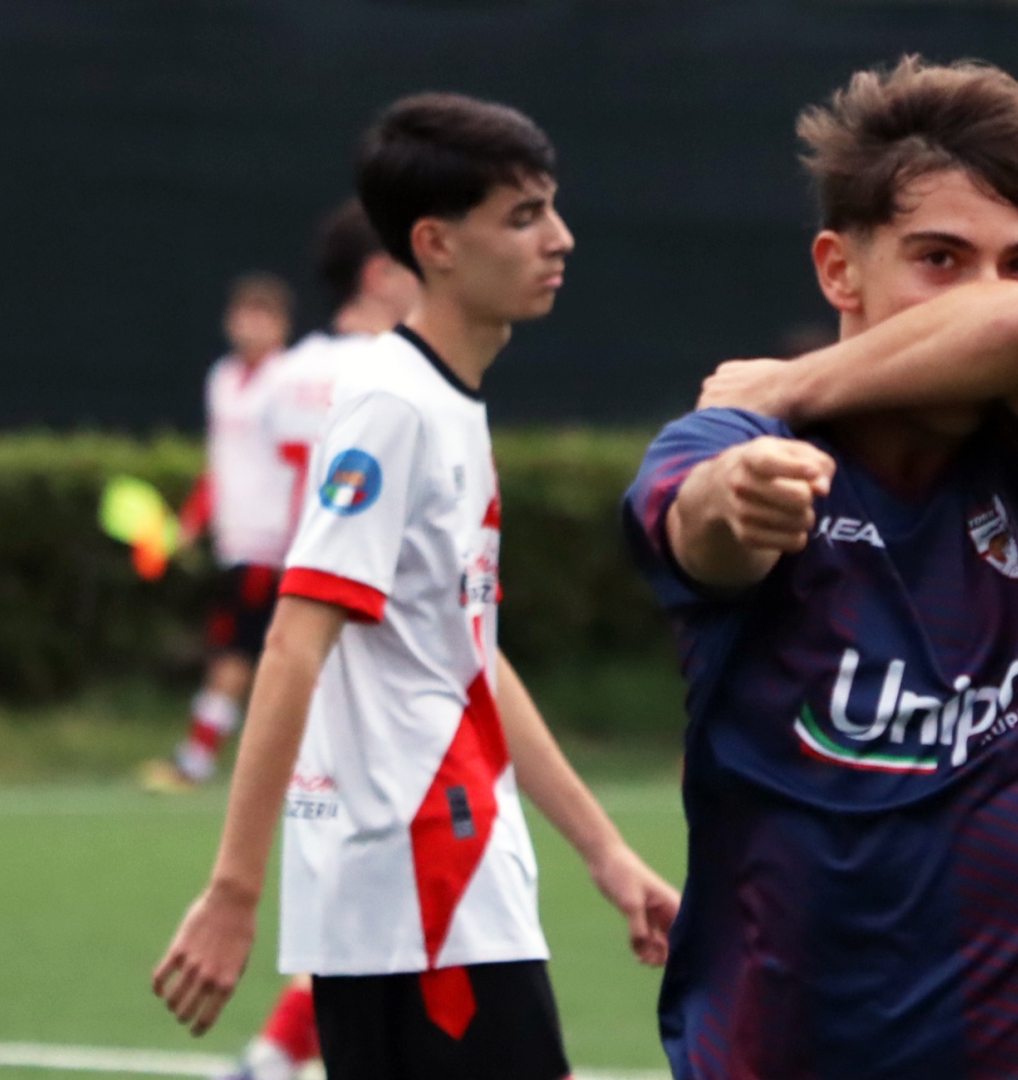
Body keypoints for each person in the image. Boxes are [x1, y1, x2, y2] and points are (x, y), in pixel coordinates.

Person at [624, 56, 1018, 1078]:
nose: (984, 299)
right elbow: (702, 526)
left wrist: (790, 383)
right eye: (941, 259)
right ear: (838, 269)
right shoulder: (735, 443)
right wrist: (738, 496)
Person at [153, 92, 680, 1080]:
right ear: (435, 244)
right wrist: (234, 889)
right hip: (419, 884)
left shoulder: (447, 405)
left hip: (456, 876)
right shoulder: (391, 408)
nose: (560, 239)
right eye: (524, 216)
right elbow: (293, 642)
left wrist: (607, 856)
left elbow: (466, 658)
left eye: (552, 208)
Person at [211, 200, 421, 1080]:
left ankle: (276, 1052)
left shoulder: (285, 377)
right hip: (383, 644)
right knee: (399, 893)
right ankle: (280, 1052)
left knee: (361, 888)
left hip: (307, 629)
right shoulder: (404, 373)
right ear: (381, 272)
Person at [141, 274, 295, 792]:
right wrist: (188, 524)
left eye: (263, 315)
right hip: (238, 544)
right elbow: (220, 466)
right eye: (244, 314)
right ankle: (204, 759)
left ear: (282, 326)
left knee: (243, 654)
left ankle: (198, 760)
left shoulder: (292, 381)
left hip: (279, 545)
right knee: (245, 653)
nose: (251, 325)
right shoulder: (222, 379)